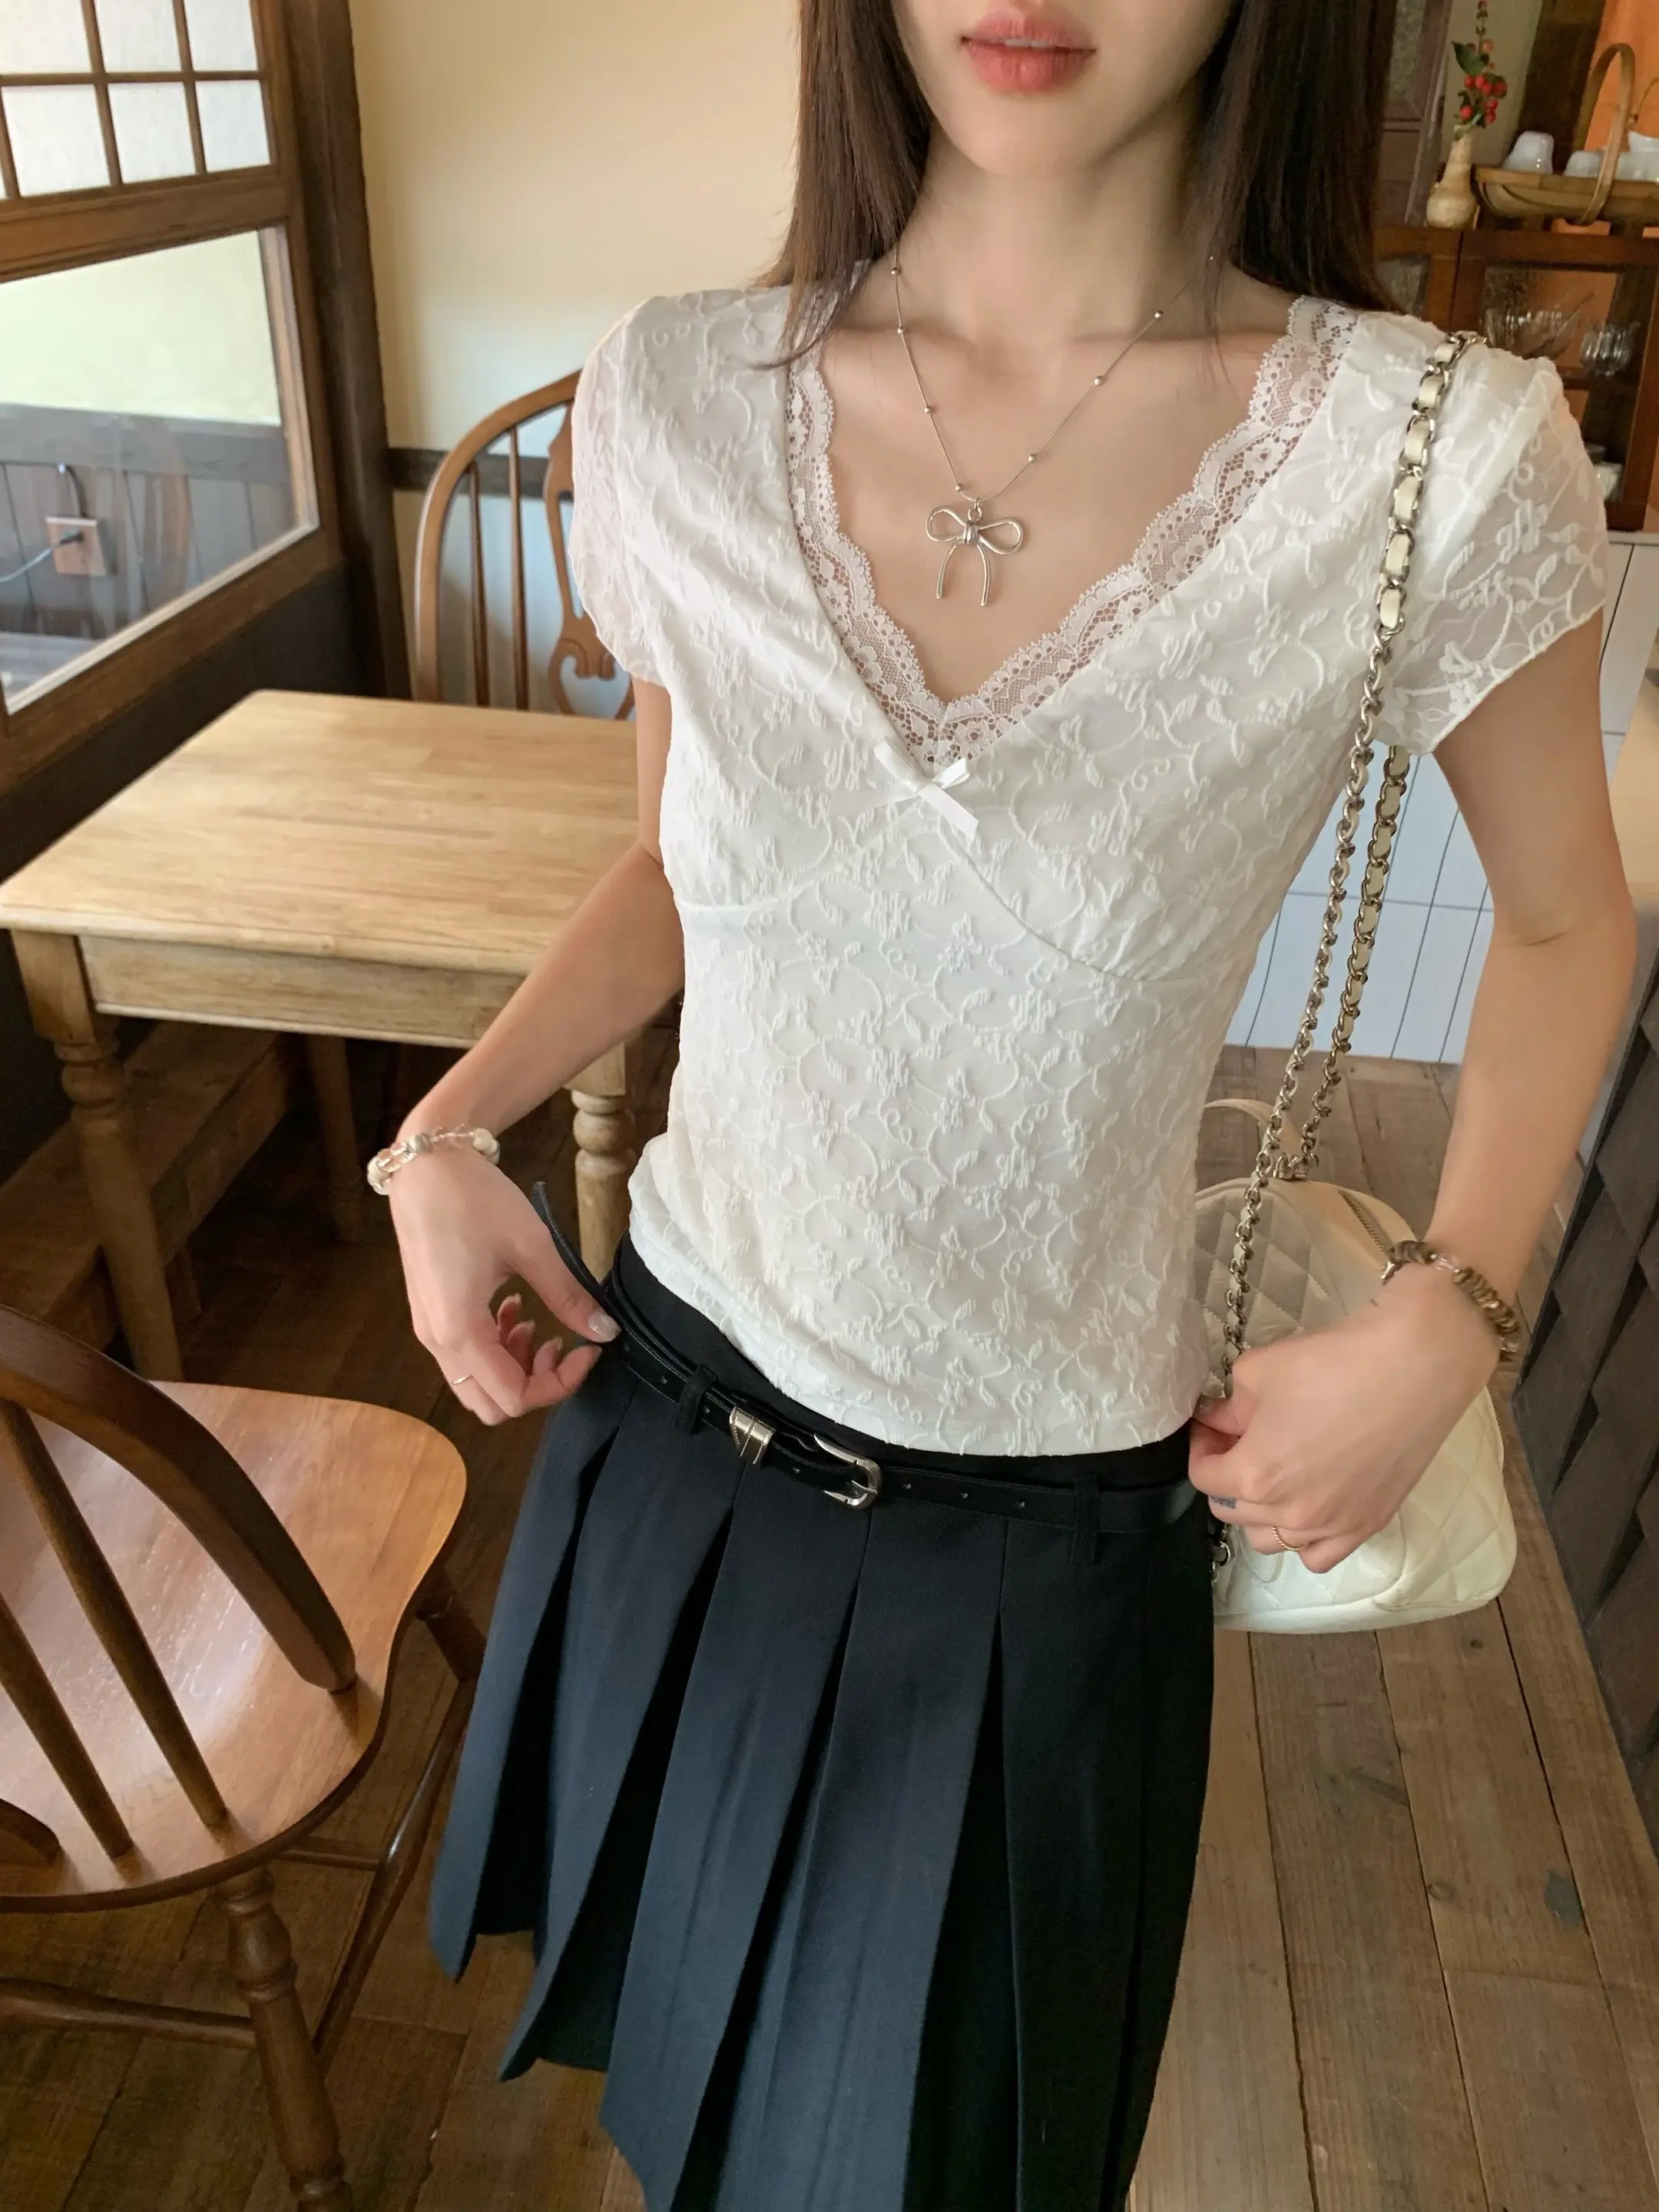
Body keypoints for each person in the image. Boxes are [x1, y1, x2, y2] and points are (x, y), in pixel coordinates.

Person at [391, 2, 1636, 2207]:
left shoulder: (1429, 453)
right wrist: (451, 1132)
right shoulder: (676, 393)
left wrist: (1454, 1315)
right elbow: (680, 867)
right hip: (665, 1429)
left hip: (1035, 1530)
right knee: (676, 2108)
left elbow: (1563, 921)